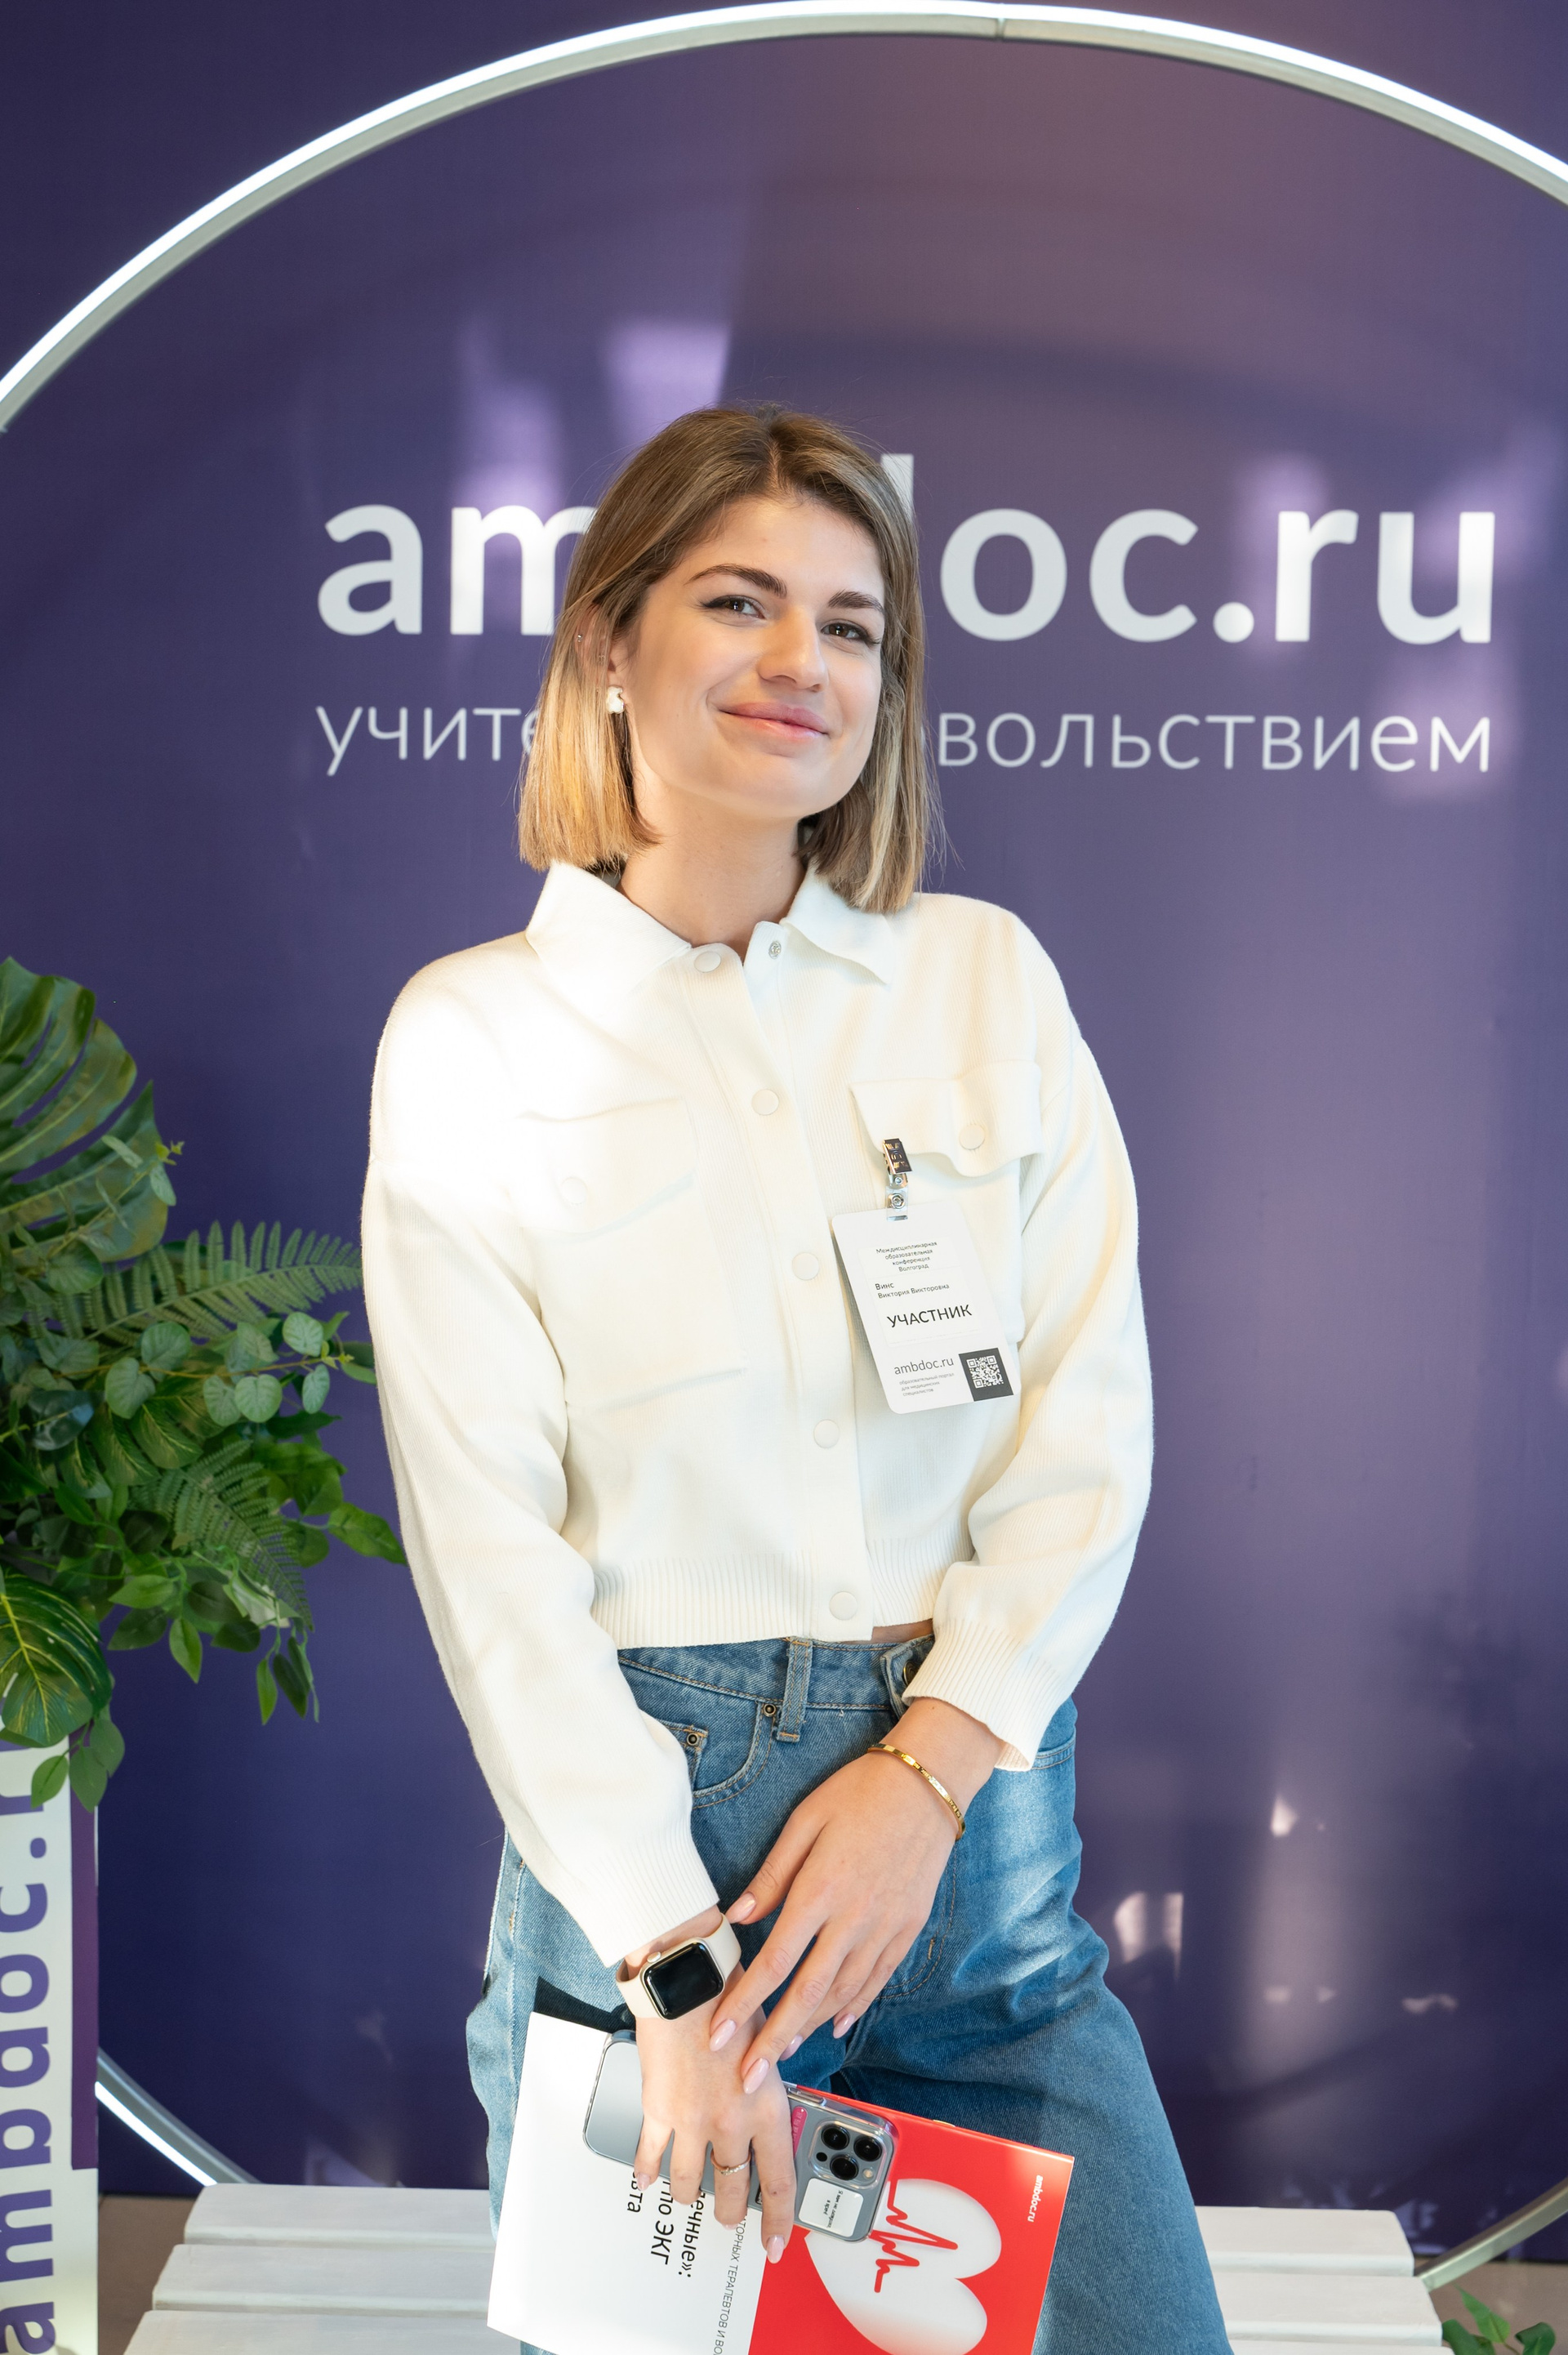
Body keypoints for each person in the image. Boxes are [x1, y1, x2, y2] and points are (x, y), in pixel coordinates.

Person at [361, 403, 1229, 2352]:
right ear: (611, 639)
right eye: (739, 601)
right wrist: (672, 1969)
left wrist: (928, 1773)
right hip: (657, 1927)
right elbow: (489, 1559)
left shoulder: (985, 980)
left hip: (979, 1891)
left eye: (851, 625)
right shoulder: (474, 1039)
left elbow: (1086, 1424)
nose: (801, 663)